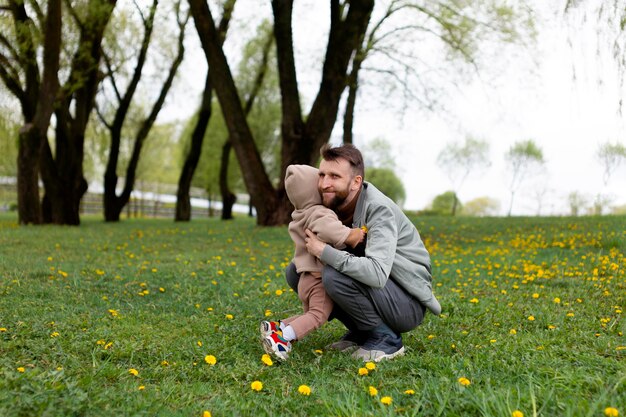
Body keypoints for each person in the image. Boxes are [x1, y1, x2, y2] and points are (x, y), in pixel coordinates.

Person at [290, 143, 441, 362]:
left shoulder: (379, 209)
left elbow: (377, 274)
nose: (324, 183)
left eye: (334, 176)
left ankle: (387, 339)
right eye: (322, 175)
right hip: (379, 291)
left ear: (356, 182)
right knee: (297, 271)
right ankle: (362, 332)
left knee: (332, 274)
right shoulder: (332, 206)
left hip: (406, 302)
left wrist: (324, 252)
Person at [261, 164, 365, 361]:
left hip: (305, 279)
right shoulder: (318, 212)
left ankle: (277, 327)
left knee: (308, 314)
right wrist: (353, 235)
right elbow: (330, 231)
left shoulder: (298, 213)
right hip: (318, 278)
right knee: (317, 316)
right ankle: (282, 339)